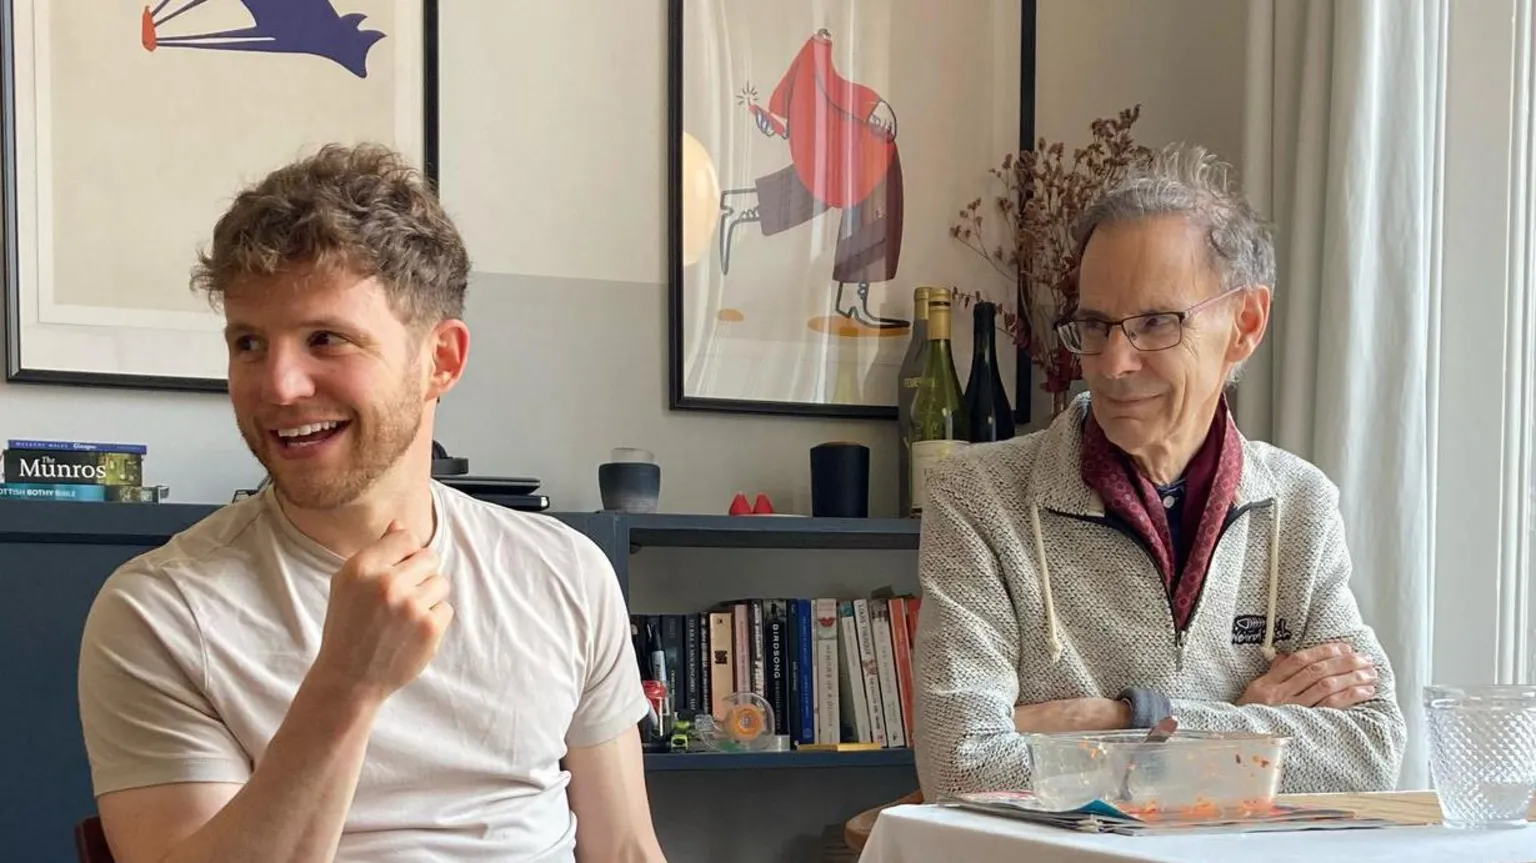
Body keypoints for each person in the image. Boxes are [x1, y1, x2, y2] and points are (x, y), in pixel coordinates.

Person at [76, 144, 667, 863]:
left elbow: (626, 848)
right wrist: (348, 683)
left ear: (441, 360)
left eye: (325, 338)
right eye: (249, 343)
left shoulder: (567, 574)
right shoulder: (159, 612)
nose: (279, 386)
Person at [911, 143, 1407, 800]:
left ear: (1246, 323)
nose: (1113, 362)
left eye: (1154, 323)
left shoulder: (1301, 502)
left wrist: (1123, 716)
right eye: (1095, 324)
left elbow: (1370, 753)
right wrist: (1243, 727)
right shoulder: (977, 498)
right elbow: (963, 766)